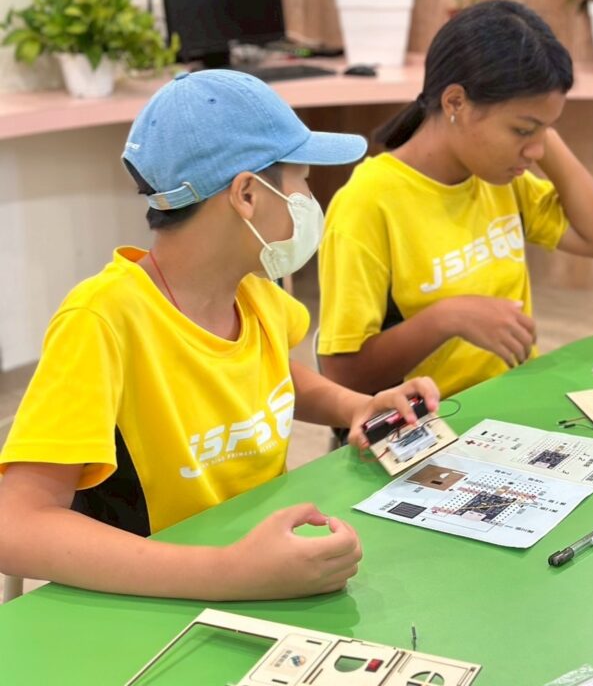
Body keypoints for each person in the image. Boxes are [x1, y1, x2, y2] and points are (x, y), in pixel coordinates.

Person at [0, 70, 439, 600]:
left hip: (260, 565)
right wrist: (230, 573)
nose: (310, 198)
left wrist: (353, 406)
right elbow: (16, 526)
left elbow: (269, 375)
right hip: (157, 602)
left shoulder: (254, 295)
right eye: (300, 180)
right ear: (248, 194)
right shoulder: (102, 321)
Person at [318, 0, 593, 445]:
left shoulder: (500, 178)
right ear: (456, 102)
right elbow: (342, 374)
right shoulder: (368, 202)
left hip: (508, 412)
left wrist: (541, 130)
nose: (536, 150)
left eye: (546, 130)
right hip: (427, 431)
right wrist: (447, 318)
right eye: (522, 130)